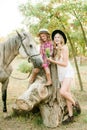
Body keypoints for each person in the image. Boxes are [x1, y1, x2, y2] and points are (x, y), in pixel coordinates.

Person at [47, 29, 81, 124]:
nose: (56, 38)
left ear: (61, 38)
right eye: (55, 37)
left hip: (67, 72)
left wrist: (52, 61)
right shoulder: (56, 49)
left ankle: (75, 103)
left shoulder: (64, 48)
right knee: (67, 94)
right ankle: (71, 116)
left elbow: (65, 63)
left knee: (62, 92)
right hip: (61, 74)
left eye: (58, 37)